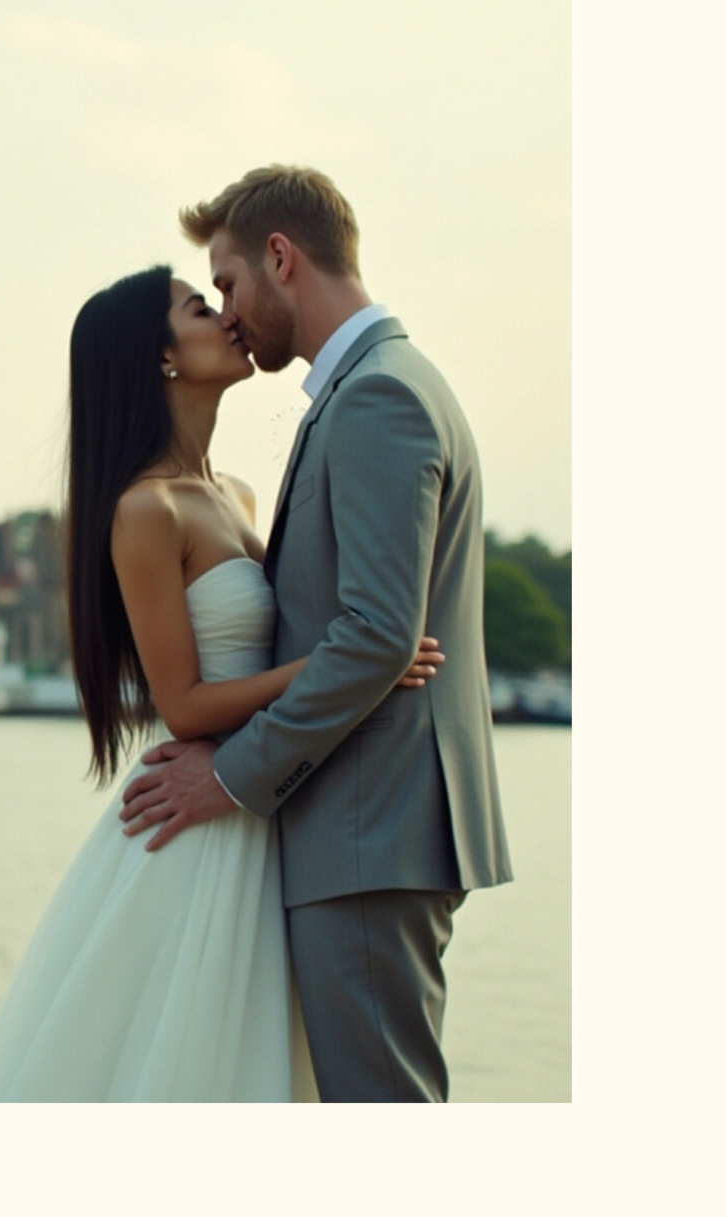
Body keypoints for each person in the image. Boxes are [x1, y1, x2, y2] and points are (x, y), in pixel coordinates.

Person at [0, 263, 446, 1101]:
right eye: (199, 306)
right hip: (197, 822)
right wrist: (353, 660)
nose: (227, 315)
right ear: (162, 357)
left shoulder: (236, 494)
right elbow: (181, 704)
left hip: (263, 803)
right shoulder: (146, 510)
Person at [115, 165, 512, 1102]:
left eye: (227, 283)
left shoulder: (376, 397)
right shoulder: (375, 387)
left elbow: (376, 635)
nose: (228, 311)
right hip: (357, 831)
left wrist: (228, 776)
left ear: (281, 258)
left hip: (368, 829)